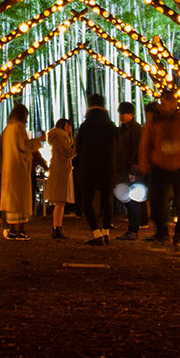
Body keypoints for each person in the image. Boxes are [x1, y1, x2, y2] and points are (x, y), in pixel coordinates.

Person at [139, 87, 180, 254]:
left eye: (168, 101)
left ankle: (178, 237)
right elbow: (146, 143)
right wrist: (145, 163)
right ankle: (162, 234)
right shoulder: (155, 121)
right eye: (163, 101)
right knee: (157, 201)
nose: (165, 104)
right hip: (160, 165)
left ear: (175, 102)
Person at [76, 93, 118, 245]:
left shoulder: (85, 126)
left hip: (89, 167)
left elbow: (78, 148)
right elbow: (117, 147)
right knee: (107, 200)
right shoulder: (111, 126)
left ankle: (96, 233)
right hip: (108, 167)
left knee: (87, 201)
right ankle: (106, 232)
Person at [0, 103, 43, 240]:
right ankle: (21, 231)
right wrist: (38, 141)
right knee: (21, 202)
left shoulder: (7, 129)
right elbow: (24, 145)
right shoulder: (19, 127)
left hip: (8, 168)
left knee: (11, 202)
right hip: (19, 168)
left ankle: (11, 230)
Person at [114, 101, 144, 240]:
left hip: (131, 169)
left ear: (131, 114)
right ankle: (132, 229)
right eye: (121, 113)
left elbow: (137, 150)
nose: (122, 116)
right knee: (128, 198)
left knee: (132, 200)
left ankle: (133, 230)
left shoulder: (136, 129)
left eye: (124, 113)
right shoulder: (121, 129)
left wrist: (134, 168)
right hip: (122, 169)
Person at [45, 119, 76, 238]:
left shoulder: (61, 138)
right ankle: (56, 227)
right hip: (60, 170)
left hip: (62, 169)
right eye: (67, 126)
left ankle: (58, 227)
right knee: (60, 200)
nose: (69, 129)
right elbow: (67, 152)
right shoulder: (59, 137)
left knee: (61, 201)